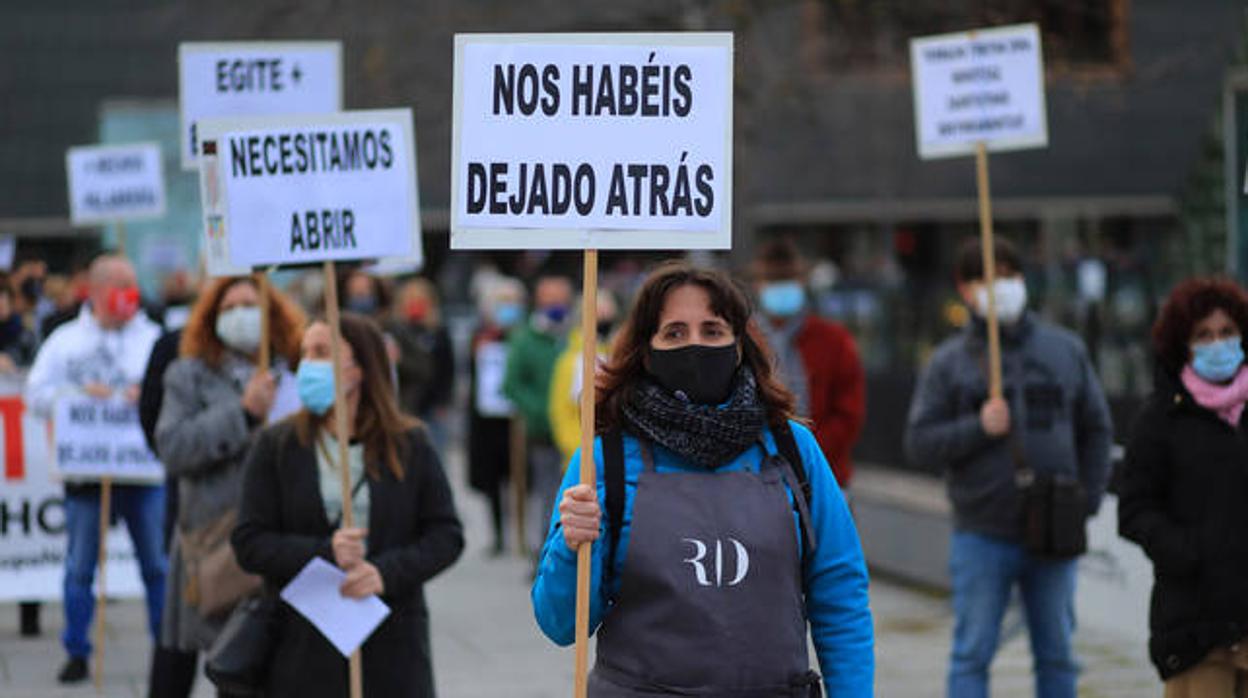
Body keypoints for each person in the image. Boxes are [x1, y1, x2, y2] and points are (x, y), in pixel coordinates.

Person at [531, 261, 874, 696]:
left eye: (712, 331)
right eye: (674, 332)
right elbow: (561, 624)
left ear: (737, 346)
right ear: (646, 349)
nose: (694, 345)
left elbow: (839, 593)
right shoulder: (604, 458)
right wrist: (572, 545)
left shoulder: (793, 448)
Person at [904, 238, 1113, 698]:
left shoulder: (1065, 350)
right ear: (966, 289)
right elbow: (920, 443)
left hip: (1054, 532)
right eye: (987, 277)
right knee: (972, 654)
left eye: (1009, 275)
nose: (1001, 286)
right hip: (982, 533)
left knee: (1057, 654)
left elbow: (1097, 429)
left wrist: (1087, 500)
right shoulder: (948, 363)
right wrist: (977, 427)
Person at [232, 312, 464, 698]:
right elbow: (249, 541)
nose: (307, 364)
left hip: (391, 645)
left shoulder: (410, 443)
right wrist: (323, 552)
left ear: (361, 368)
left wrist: (385, 573)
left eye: (321, 352)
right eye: (304, 353)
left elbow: (446, 535)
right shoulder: (277, 445)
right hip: (303, 647)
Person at [150, 276, 305, 697]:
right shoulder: (189, 375)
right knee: (235, 667)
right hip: (220, 544)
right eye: (230, 307)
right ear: (212, 318)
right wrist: (243, 414)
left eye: (249, 305)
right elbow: (174, 446)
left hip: (290, 543)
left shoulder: (298, 369)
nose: (240, 315)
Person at [25, 253, 167, 684]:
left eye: (132, 284)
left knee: (157, 566)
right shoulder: (65, 342)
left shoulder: (153, 339)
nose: (130, 294)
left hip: (142, 474)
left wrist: (144, 395)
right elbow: (36, 396)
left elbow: (173, 391)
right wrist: (79, 393)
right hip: (87, 475)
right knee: (80, 568)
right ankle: (77, 650)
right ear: (99, 291)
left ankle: (166, 648)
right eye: (120, 286)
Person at [1119, 278, 1248, 696]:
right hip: (1196, 632)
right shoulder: (1159, 420)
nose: (1218, 344)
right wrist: (1187, 549)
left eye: (1227, 332)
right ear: (1183, 345)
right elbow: (1134, 510)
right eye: (1204, 336)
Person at [752, 239, 866, 488]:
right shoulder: (746, 338)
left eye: (787, 280)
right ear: (758, 286)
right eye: (773, 280)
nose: (780, 288)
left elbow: (849, 412)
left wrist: (808, 453)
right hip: (760, 479)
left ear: (801, 282)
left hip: (826, 476)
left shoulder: (832, 340)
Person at [503, 273, 573, 551]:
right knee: (548, 494)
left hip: (575, 433)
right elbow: (512, 384)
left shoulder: (575, 335)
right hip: (542, 432)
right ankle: (546, 551)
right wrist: (541, 410)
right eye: (550, 299)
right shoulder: (525, 340)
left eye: (560, 299)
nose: (556, 304)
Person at [466, 276, 526, 554]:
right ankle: (498, 535)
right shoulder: (480, 336)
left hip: (518, 419)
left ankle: (522, 533)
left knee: (522, 480)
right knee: (493, 481)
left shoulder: (524, 336)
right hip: (487, 420)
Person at [548, 290, 619, 464]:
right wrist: (580, 451)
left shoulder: (617, 357)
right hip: (581, 459)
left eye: (608, 315)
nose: (604, 321)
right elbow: (560, 412)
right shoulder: (571, 361)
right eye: (599, 316)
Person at [386, 277, 455, 447]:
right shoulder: (396, 331)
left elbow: (448, 369)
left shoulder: (438, 332)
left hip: (432, 406)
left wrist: (443, 401)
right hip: (405, 406)